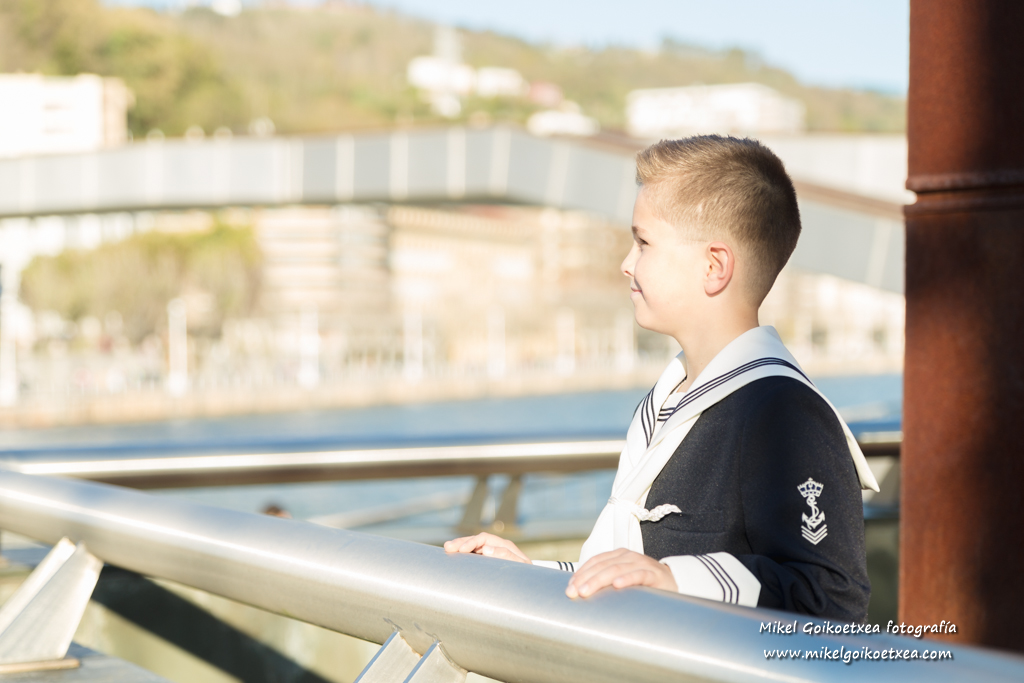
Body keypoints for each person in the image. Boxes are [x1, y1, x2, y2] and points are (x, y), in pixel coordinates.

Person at [445, 135, 879, 622]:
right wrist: (533, 572)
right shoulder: (671, 399)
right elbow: (638, 570)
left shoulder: (784, 414)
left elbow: (831, 599)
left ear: (714, 266)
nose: (626, 263)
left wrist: (673, 578)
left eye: (643, 242)